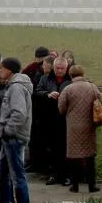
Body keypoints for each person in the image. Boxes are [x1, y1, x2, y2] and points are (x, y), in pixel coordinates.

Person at [0, 57, 34, 203]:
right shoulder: (14, 86)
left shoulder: (16, 88)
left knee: (16, 174)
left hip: (14, 138)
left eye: (2, 68)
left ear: (9, 70)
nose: (0, 71)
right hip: (10, 137)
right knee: (2, 170)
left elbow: (19, 113)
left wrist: (8, 130)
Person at [58, 63, 100, 194]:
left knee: (74, 157)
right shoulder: (92, 87)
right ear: (83, 73)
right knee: (89, 156)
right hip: (89, 125)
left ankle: (75, 185)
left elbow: (61, 108)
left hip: (73, 126)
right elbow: (99, 102)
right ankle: (92, 185)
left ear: (70, 74)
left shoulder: (67, 89)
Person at [36, 55, 73, 186]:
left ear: (66, 68)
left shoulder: (70, 80)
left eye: (62, 68)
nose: (59, 70)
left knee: (64, 148)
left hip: (65, 119)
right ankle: (53, 174)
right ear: (54, 67)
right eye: (57, 68)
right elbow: (37, 91)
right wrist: (47, 94)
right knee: (51, 148)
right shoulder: (45, 78)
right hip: (49, 118)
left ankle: (65, 175)